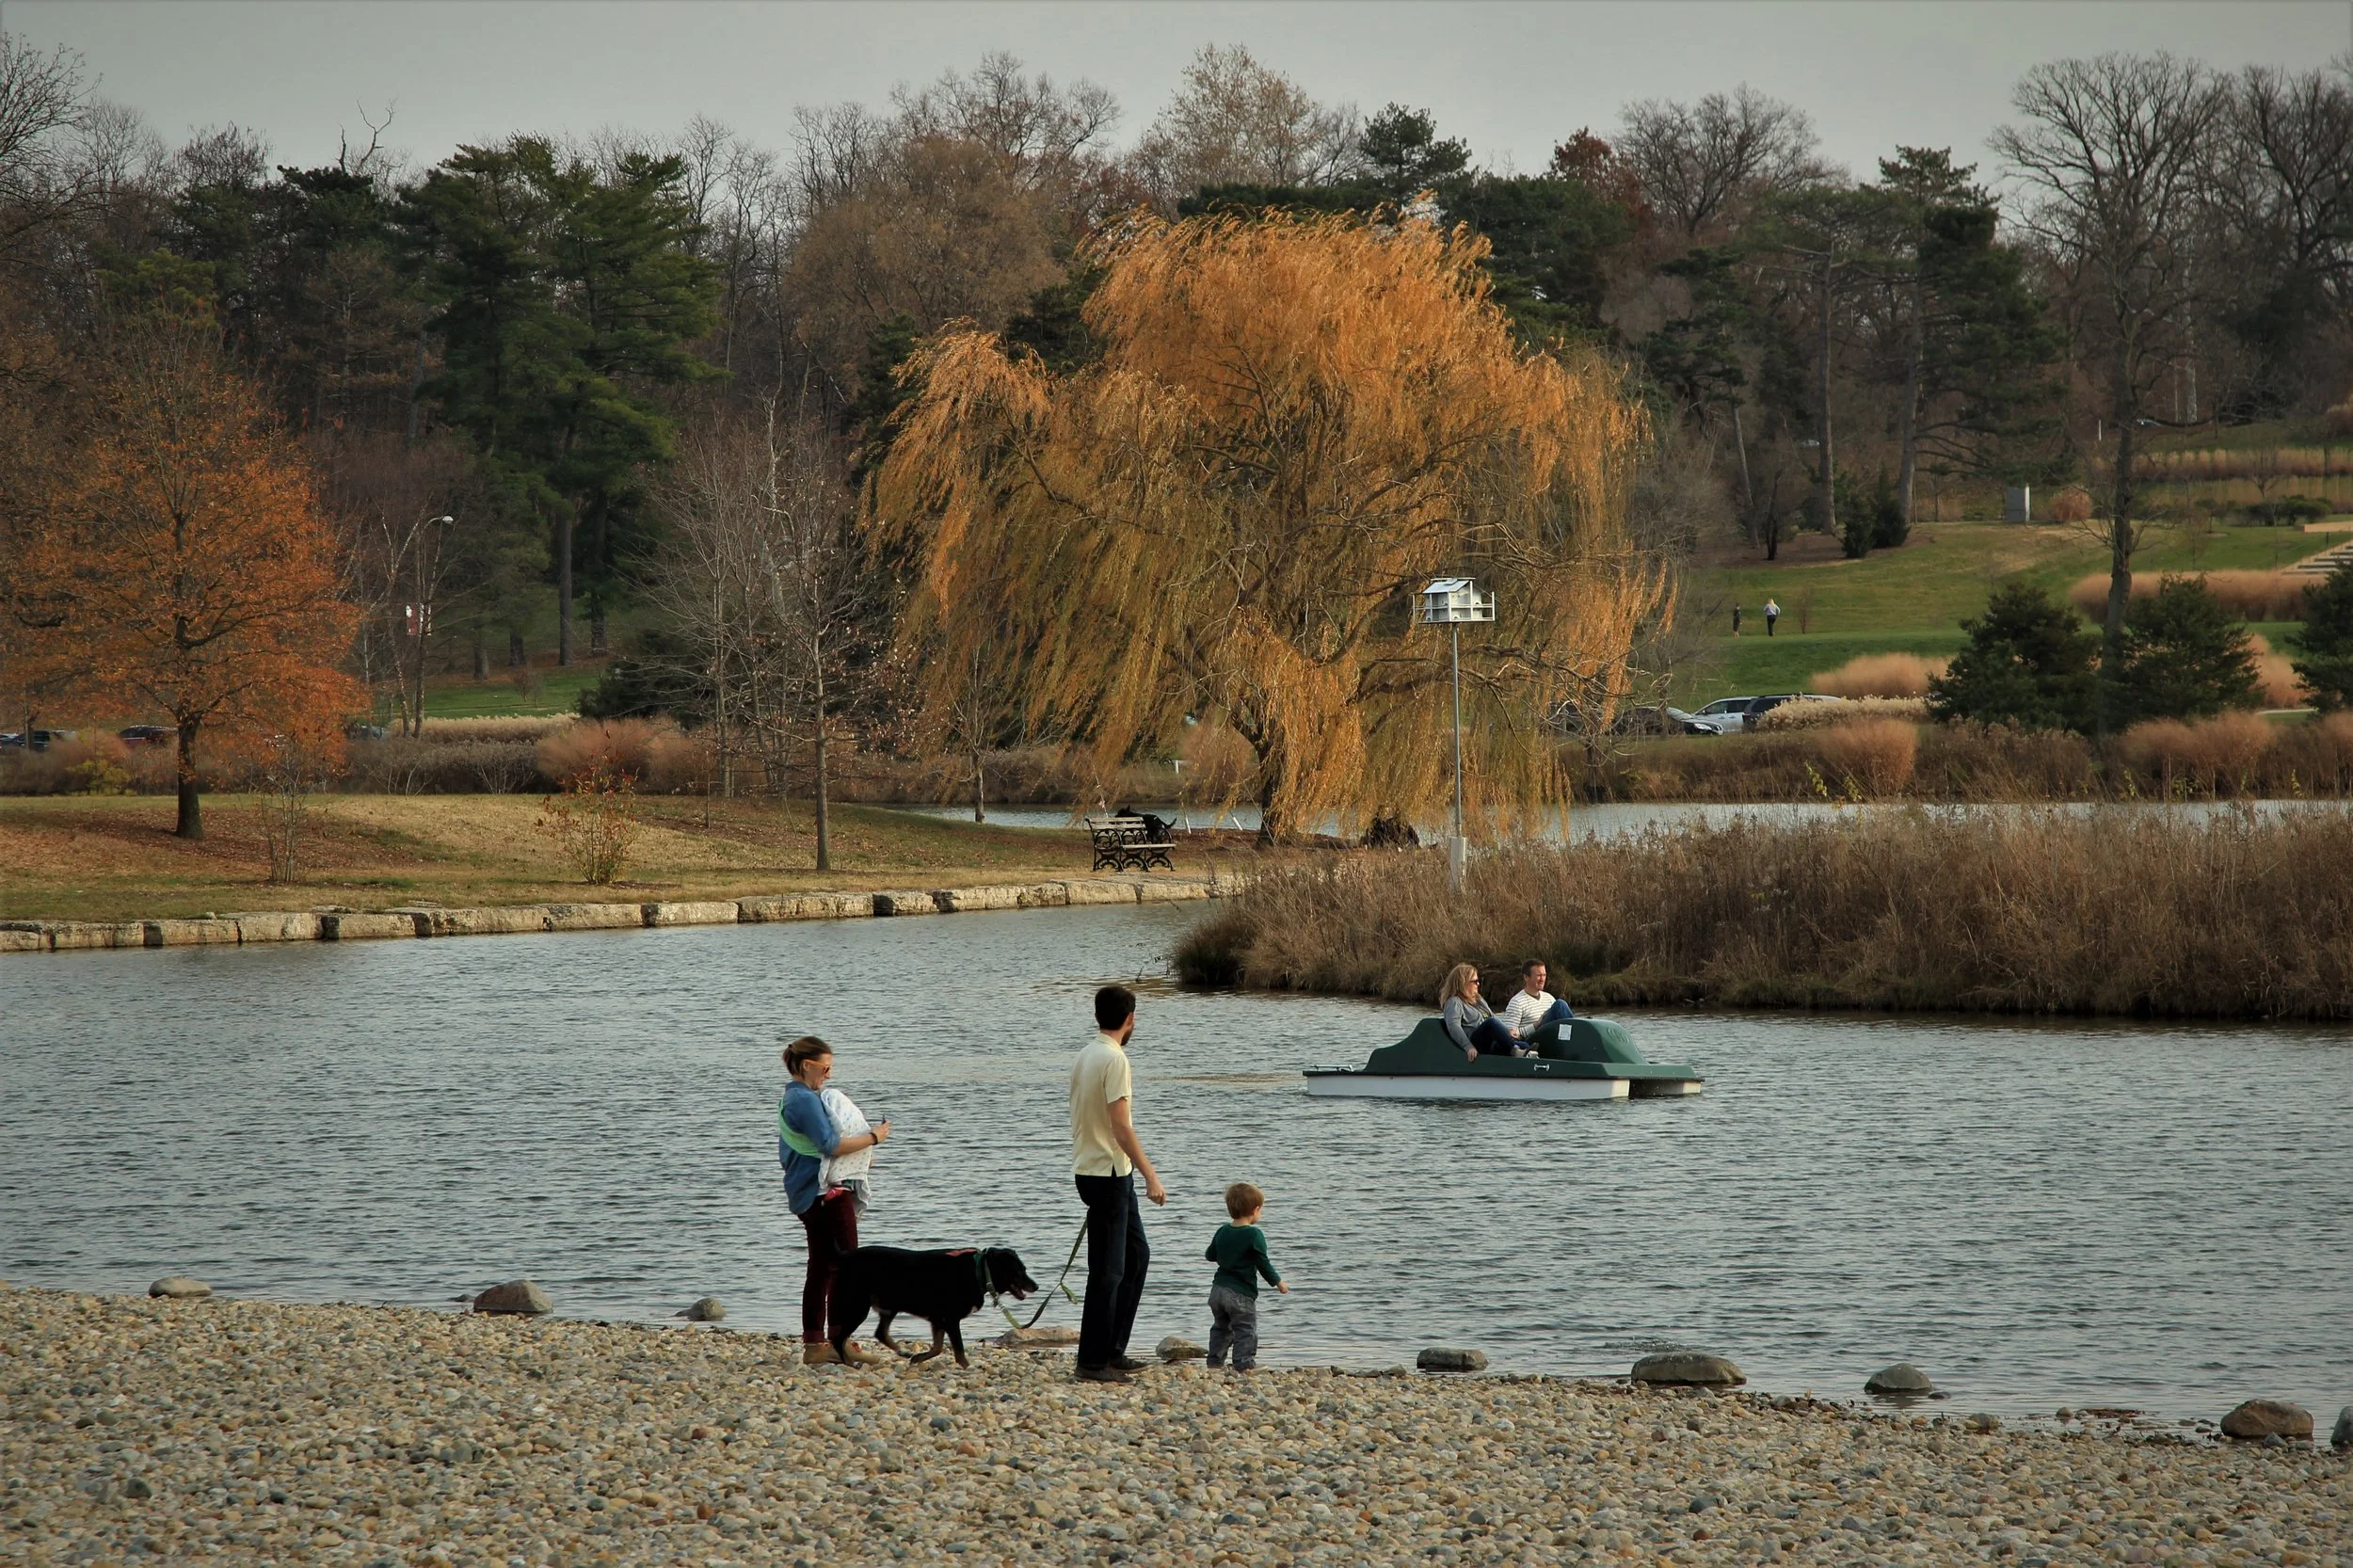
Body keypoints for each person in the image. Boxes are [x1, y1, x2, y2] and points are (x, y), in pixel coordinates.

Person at [1071, 984, 1164, 1384]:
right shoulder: (1115, 1059)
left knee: (1137, 1256)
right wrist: (1152, 1175)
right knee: (1107, 1272)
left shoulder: (1087, 1054)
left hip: (1103, 1172)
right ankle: (1092, 1363)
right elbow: (1121, 1127)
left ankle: (1113, 1349)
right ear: (1130, 1019)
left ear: (1097, 1016)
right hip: (1106, 1173)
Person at [780, 1035, 891, 1367]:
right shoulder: (804, 1100)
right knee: (847, 1270)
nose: (829, 1075)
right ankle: (838, 1342)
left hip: (810, 1195)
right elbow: (830, 1146)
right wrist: (874, 1137)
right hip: (825, 1194)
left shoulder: (797, 1098)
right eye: (825, 1068)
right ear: (807, 1066)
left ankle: (818, 1343)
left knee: (822, 1267)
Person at [1204, 1182, 1288, 1372]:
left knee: (1221, 1327)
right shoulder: (1254, 1234)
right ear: (1255, 1210)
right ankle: (1244, 1364)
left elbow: (1210, 1255)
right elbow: (1262, 1263)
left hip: (1217, 1290)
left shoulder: (1223, 1230)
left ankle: (1215, 1362)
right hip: (1240, 1292)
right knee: (1245, 1328)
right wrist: (1278, 1282)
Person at [1439, 964, 1526, 1059]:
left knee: (1524, 1045)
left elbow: (1492, 1016)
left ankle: (1522, 1053)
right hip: (1476, 1041)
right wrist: (1468, 1047)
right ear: (1463, 983)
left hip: (1490, 1040)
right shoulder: (1454, 1002)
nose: (1478, 984)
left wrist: (1507, 1031)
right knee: (1491, 1023)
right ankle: (1515, 1050)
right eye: (1475, 981)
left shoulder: (1478, 1000)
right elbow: (1454, 1027)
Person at [1497, 958, 1577, 1043]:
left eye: (1544, 975)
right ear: (1526, 977)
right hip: (1533, 1043)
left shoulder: (1549, 998)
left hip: (1552, 1038)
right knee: (1560, 1004)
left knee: (1561, 1006)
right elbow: (1509, 1035)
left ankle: (1575, 1039)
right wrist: (1536, 1025)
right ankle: (1577, 1038)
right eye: (1539, 975)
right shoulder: (1517, 1002)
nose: (1542, 979)